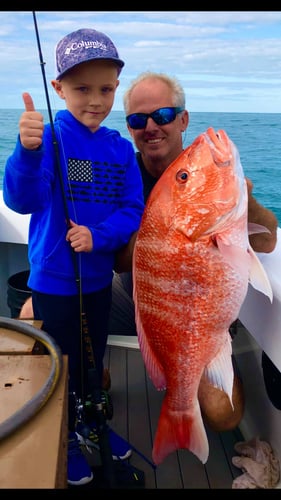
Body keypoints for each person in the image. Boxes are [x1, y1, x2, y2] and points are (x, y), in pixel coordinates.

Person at [3, 29, 144, 486]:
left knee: (91, 358)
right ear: (58, 89)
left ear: (116, 88)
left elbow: (132, 210)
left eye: (105, 89)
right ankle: (63, 438)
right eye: (82, 89)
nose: (95, 100)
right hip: (54, 285)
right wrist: (27, 152)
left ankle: (90, 422)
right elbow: (22, 199)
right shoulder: (49, 140)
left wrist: (99, 236)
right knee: (60, 363)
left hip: (99, 282)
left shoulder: (121, 150)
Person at [110, 71, 278, 431]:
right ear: (129, 128)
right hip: (139, 298)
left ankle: (183, 391)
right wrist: (159, 233)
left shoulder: (203, 171)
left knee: (223, 415)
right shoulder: (124, 174)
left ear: (183, 119)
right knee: (42, 306)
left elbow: (267, 241)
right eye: (139, 120)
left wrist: (245, 201)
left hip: (202, 311)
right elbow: (116, 259)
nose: (151, 126)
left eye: (164, 115)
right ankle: (93, 381)